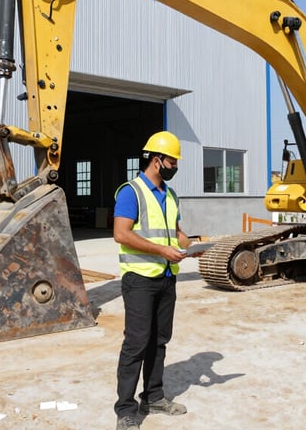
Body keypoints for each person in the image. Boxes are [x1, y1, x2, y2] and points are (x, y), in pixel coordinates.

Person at [113, 130, 193, 430]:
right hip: (140, 279)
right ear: (157, 161)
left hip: (166, 277)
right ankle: (125, 409)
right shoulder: (130, 192)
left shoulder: (170, 196)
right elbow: (121, 234)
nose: (175, 167)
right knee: (136, 343)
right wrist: (162, 249)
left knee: (159, 341)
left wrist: (193, 245)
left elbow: (175, 233)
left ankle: (154, 397)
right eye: (173, 162)